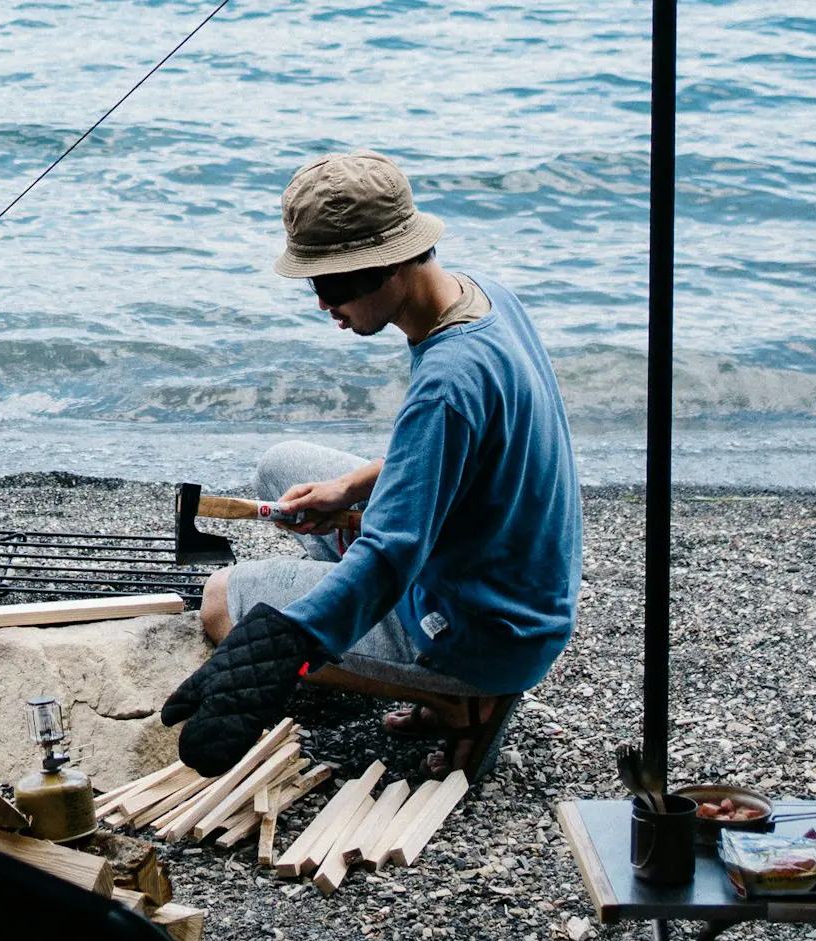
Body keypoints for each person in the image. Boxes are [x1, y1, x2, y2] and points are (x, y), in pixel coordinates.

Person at [160, 150, 582, 780]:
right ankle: (428, 671)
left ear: (388, 265)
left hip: (481, 625)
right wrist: (350, 488)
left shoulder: (447, 380)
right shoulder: (483, 296)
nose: (324, 304)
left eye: (332, 284)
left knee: (221, 602)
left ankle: (459, 701)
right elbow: (465, 448)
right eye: (314, 283)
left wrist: (284, 645)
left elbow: (390, 556)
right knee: (282, 465)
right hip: (515, 571)